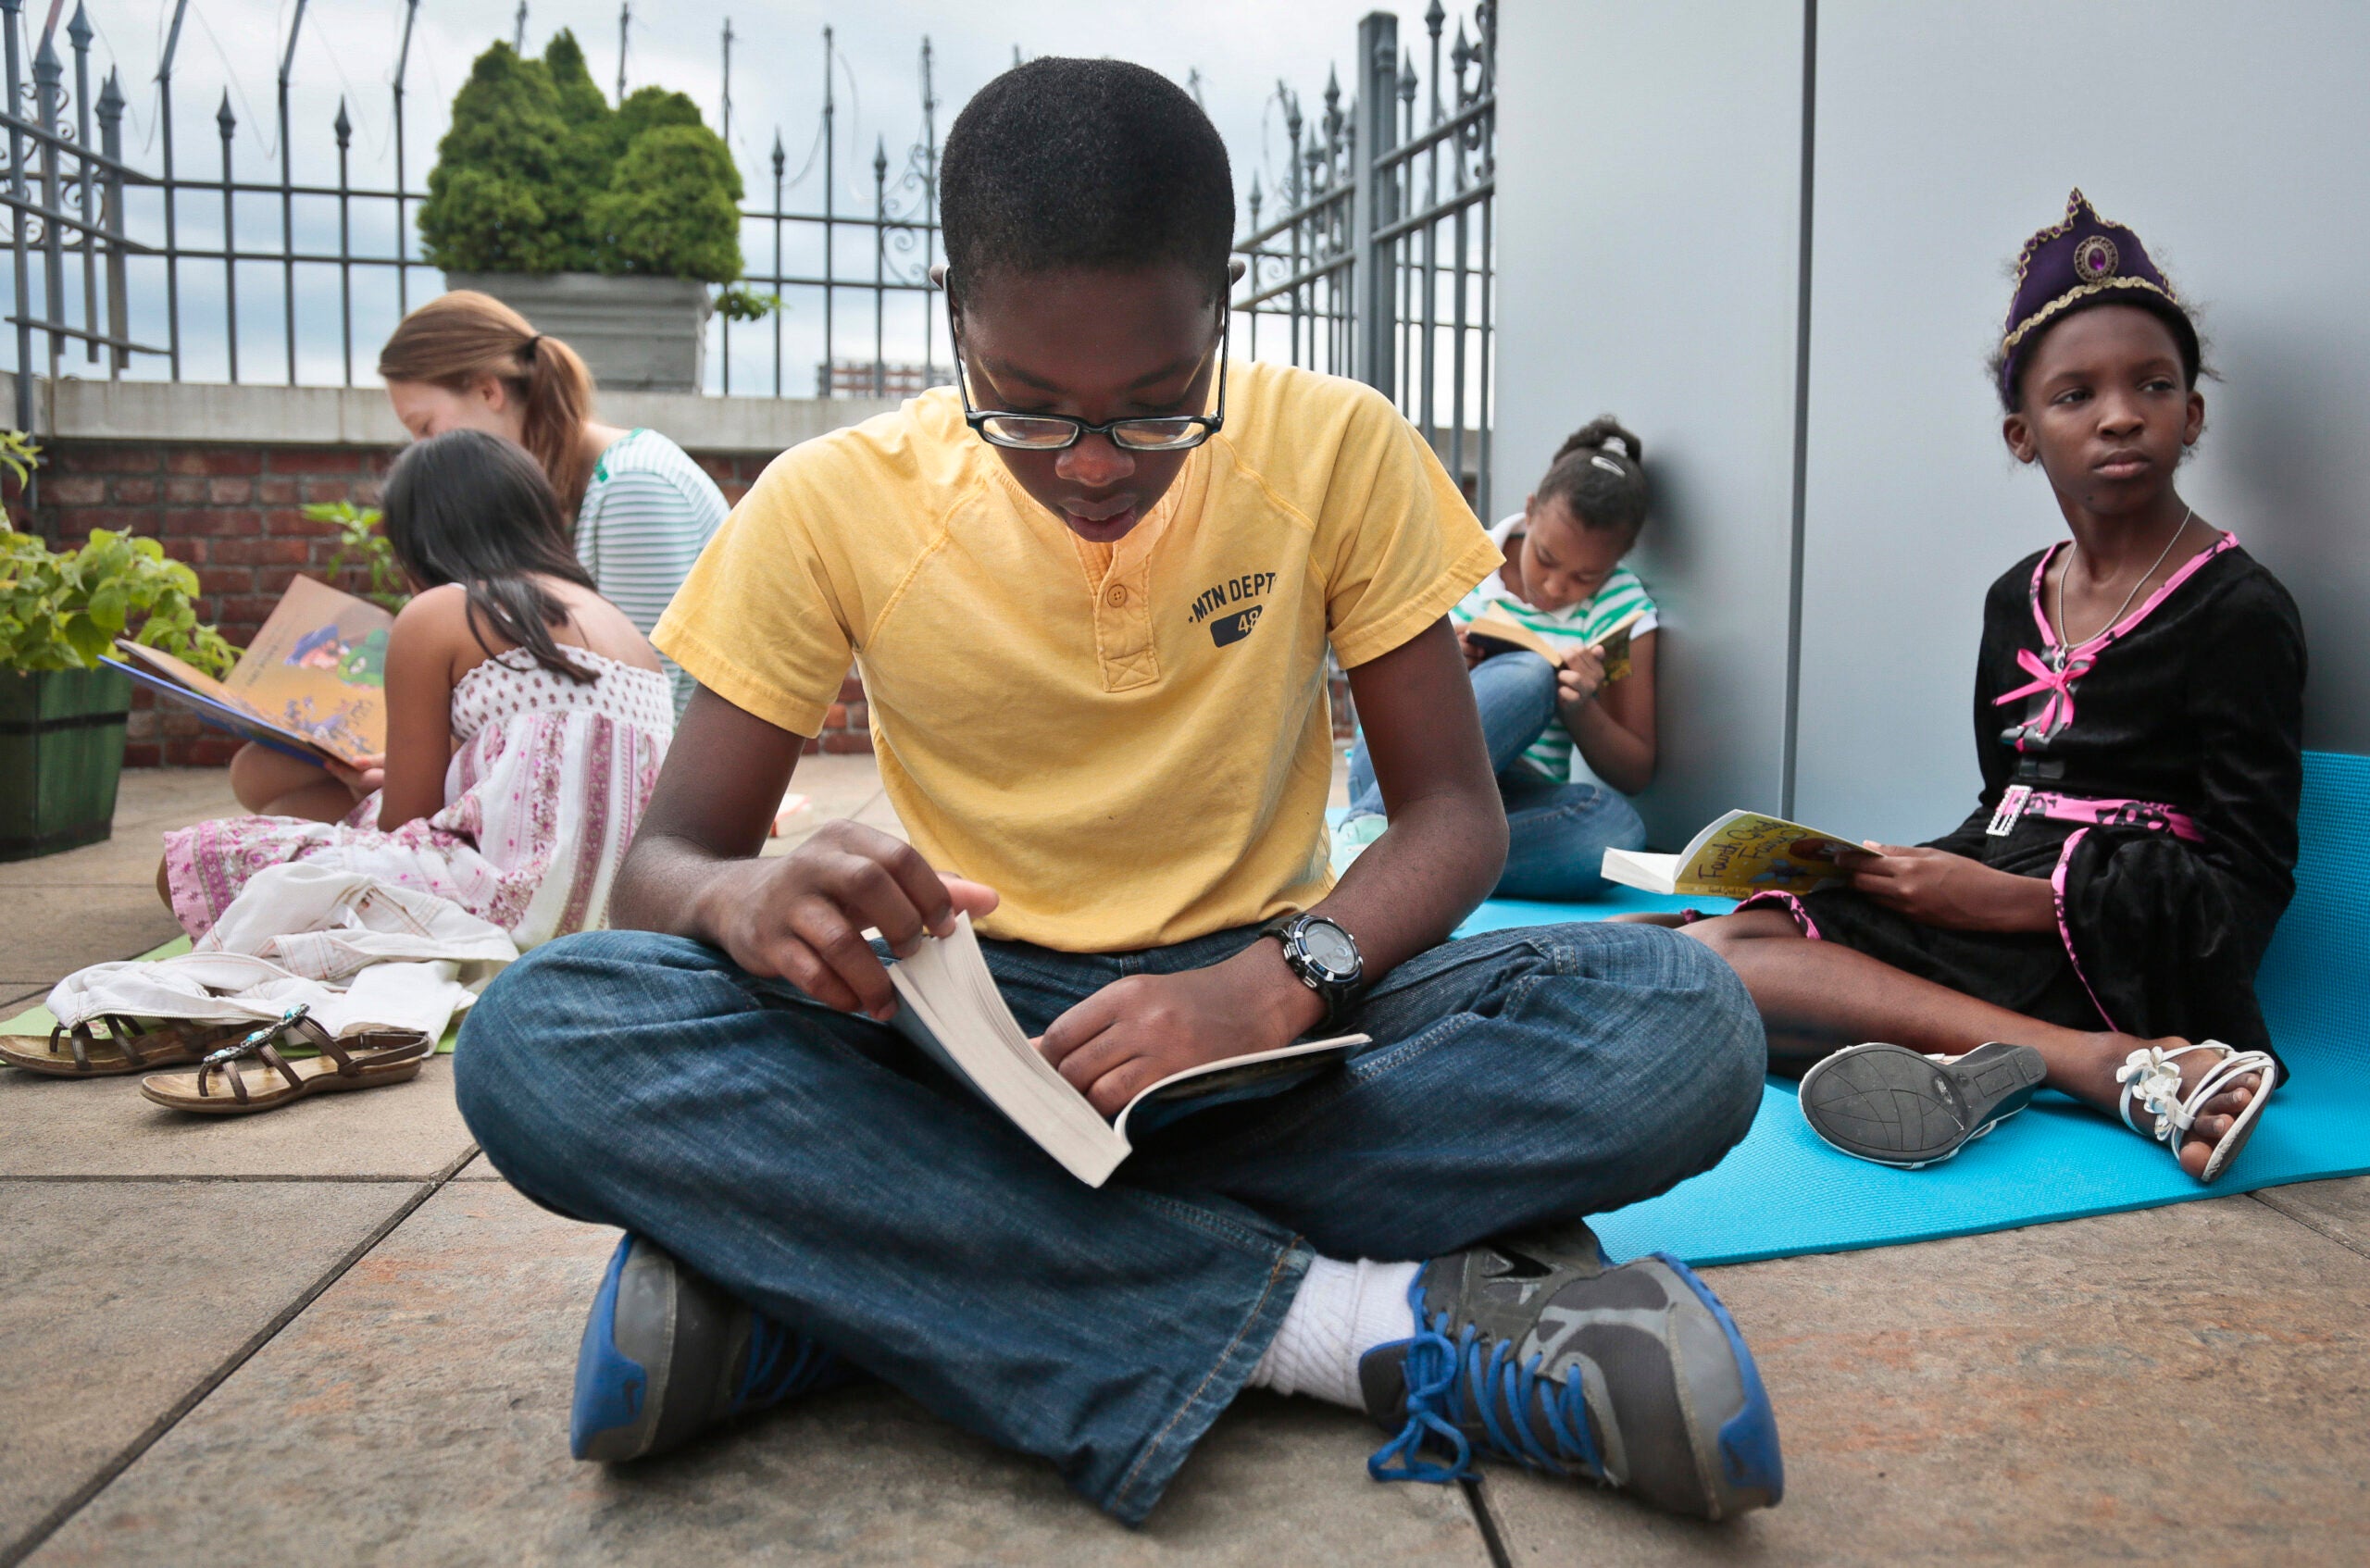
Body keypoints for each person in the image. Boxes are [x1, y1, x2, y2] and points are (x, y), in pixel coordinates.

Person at [452, 58, 1780, 1526]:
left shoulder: (1335, 445)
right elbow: (669, 866)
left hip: (1276, 1034)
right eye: (1024, 407)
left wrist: (1279, 981)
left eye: (1158, 409)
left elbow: (1453, 819)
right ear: (958, 309)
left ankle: (835, 1287)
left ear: (1225, 305)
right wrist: (745, 894)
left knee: (1687, 1024)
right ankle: (1359, 1328)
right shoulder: (832, 499)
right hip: (962, 1040)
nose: (1092, 467)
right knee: (538, 1034)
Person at [1667, 191, 2302, 1185]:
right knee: (1695, 945)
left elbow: (2251, 882)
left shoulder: (2238, 608)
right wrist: (1899, 873)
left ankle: (2100, 1059)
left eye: (2152, 385)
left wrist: (2017, 903)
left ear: (2194, 412)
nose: (2121, 414)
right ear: (2021, 434)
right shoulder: (2017, 596)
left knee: (1722, 974)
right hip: (1998, 891)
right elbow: (2001, 801)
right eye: (2075, 395)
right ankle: (2006, 1058)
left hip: (2117, 939)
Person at [162, 429, 675, 951]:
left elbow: (404, 822)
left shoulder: (443, 611)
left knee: (192, 861)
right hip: (614, 916)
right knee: (293, 813)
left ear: (419, 542)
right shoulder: (622, 629)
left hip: (503, 908)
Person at [1338, 417, 1658, 898]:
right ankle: (1373, 827)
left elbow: (1636, 771)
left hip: (1508, 801)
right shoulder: (1459, 559)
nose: (1555, 588)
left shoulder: (1622, 610)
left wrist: (1579, 707)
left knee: (1616, 835)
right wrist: (1445, 669)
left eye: (1585, 577)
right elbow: (1373, 685)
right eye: (1545, 559)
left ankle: (1389, 856)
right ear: (1529, 512)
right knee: (1529, 673)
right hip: (1398, 769)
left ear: (1617, 561)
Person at [374, 290, 729, 715]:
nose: (420, 449)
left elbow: (642, 706)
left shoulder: (635, 488)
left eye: (426, 427)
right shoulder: (576, 488)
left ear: (489, 391)